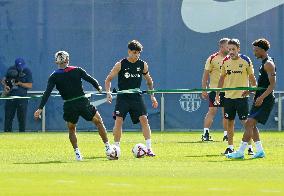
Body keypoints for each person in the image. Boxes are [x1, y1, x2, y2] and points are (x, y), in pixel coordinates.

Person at [34, 51, 112, 161]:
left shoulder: (54, 76)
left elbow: (47, 93)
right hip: (82, 102)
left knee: (71, 129)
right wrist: (98, 88)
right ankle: (108, 148)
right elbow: (91, 80)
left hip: (69, 105)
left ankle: (77, 154)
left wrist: (40, 108)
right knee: (98, 122)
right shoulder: (77, 70)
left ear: (56, 61)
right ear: (68, 60)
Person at [105, 40, 158, 156]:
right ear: (129, 52)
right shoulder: (120, 64)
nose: (137, 55)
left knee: (144, 119)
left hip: (136, 97)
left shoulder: (143, 65)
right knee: (119, 121)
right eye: (134, 53)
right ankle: (116, 149)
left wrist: (152, 96)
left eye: (138, 53)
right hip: (123, 97)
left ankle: (149, 149)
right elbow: (108, 79)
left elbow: (149, 81)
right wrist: (108, 93)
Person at [227, 38, 276, 159]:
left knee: (249, 123)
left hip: (265, 99)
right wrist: (251, 90)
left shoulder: (269, 64)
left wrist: (261, 98)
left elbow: (272, 85)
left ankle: (240, 152)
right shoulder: (264, 62)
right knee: (251, 125)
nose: (254, 52)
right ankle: (260, 151)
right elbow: (262, 85)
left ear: (262, 50)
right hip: (260, 98)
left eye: (256, 50)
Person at [215, 39, 256, 155]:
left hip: (242, 98)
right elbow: (222, 78)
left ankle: (249, 147)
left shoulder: (245, 60)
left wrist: (252, 91)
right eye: (229, 49)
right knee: (229, 123)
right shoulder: (225, 61)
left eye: (233, 49)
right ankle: (230, 147)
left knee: (245, 123)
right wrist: (217, 95)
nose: (231, 51)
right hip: (228, 97)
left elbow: (252, 78)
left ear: (238, 49)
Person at [201, 38, 229, 142]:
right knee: (212, 111)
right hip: (214, 90)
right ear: (221, 47)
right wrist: (204, 89)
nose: (229, 48)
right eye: (227, 46)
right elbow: (205, 75)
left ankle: (226, 135)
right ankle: (206, 134)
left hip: (228, 90)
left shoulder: (232, 58)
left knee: (226, 113)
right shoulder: (212, 58)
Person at [2, 58, 33, 132]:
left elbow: (30, 85)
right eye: (19, 66)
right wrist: (5, 86)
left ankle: (22, 134)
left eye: (22, 66)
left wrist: (20, 83)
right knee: (8, 118)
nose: (20, 68)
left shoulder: (27, 71)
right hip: (10, 98)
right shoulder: (11, 69)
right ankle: (7, 134)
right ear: (15, 65)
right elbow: (3, 80)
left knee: (22, 118)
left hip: (22, 99)